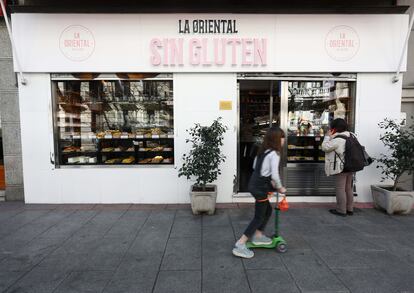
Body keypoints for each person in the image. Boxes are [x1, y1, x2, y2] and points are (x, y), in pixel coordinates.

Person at [232, 126, 287, 259]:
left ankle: (258, 235)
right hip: (260, 188)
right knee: (259, 216)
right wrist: (279, 187)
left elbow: (256, 167)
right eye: (282, 137)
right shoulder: (274, 154)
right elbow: (274, 174)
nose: (284, 140)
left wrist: (270, 180)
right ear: (277, 139)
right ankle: (240, 243)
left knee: (267, 210)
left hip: (254, 185)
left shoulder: (264, 151)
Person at [321, 118, 354, 216]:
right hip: (351, 165)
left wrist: (327, 137)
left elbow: (325, 147)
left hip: (341, 167)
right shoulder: (352, 135)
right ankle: (349, 209)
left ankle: (341, 210)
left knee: (340, 188)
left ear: (334, 128)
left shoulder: (338, 139)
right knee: (348, 188)